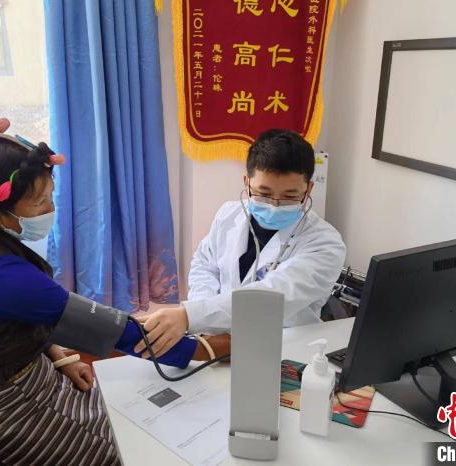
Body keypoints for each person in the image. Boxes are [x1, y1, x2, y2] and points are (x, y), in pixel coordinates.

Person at [0, 119, 229, 466]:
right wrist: (213, 348)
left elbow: (18, 320)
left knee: (112, 416)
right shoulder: (1, 276)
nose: (50, 210)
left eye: (51, 197)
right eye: (39, 203)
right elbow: (115, 330)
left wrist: (60, 357)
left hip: (26, 372)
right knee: (120, 450)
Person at [135, 129, 346, 357]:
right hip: (215, 341)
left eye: (289, 196)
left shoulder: (325, 244)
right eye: (264, 193)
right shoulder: (228, 214)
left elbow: (271, 299)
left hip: (282, 351)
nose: (275, 205)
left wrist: (190, 316)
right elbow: (205, 265)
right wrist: (206, 321)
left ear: (308, 189)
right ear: (247, 182)